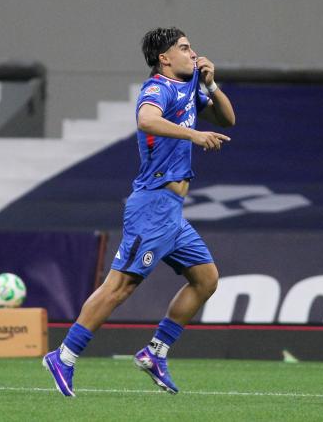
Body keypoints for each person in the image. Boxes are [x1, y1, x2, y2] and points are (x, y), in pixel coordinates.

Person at [43, 27, 235, 396]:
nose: (192, 53)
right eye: (184, 48)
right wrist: (194, 135)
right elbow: (146, 120)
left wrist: (211, 86)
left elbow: (227, 120)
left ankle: (155, 352)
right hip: (152, 205)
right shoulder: (157, 89)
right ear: (165, 58)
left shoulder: (191, 86)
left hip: (173, 212)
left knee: (206, 279)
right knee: (120, 286)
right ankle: (64, 356)